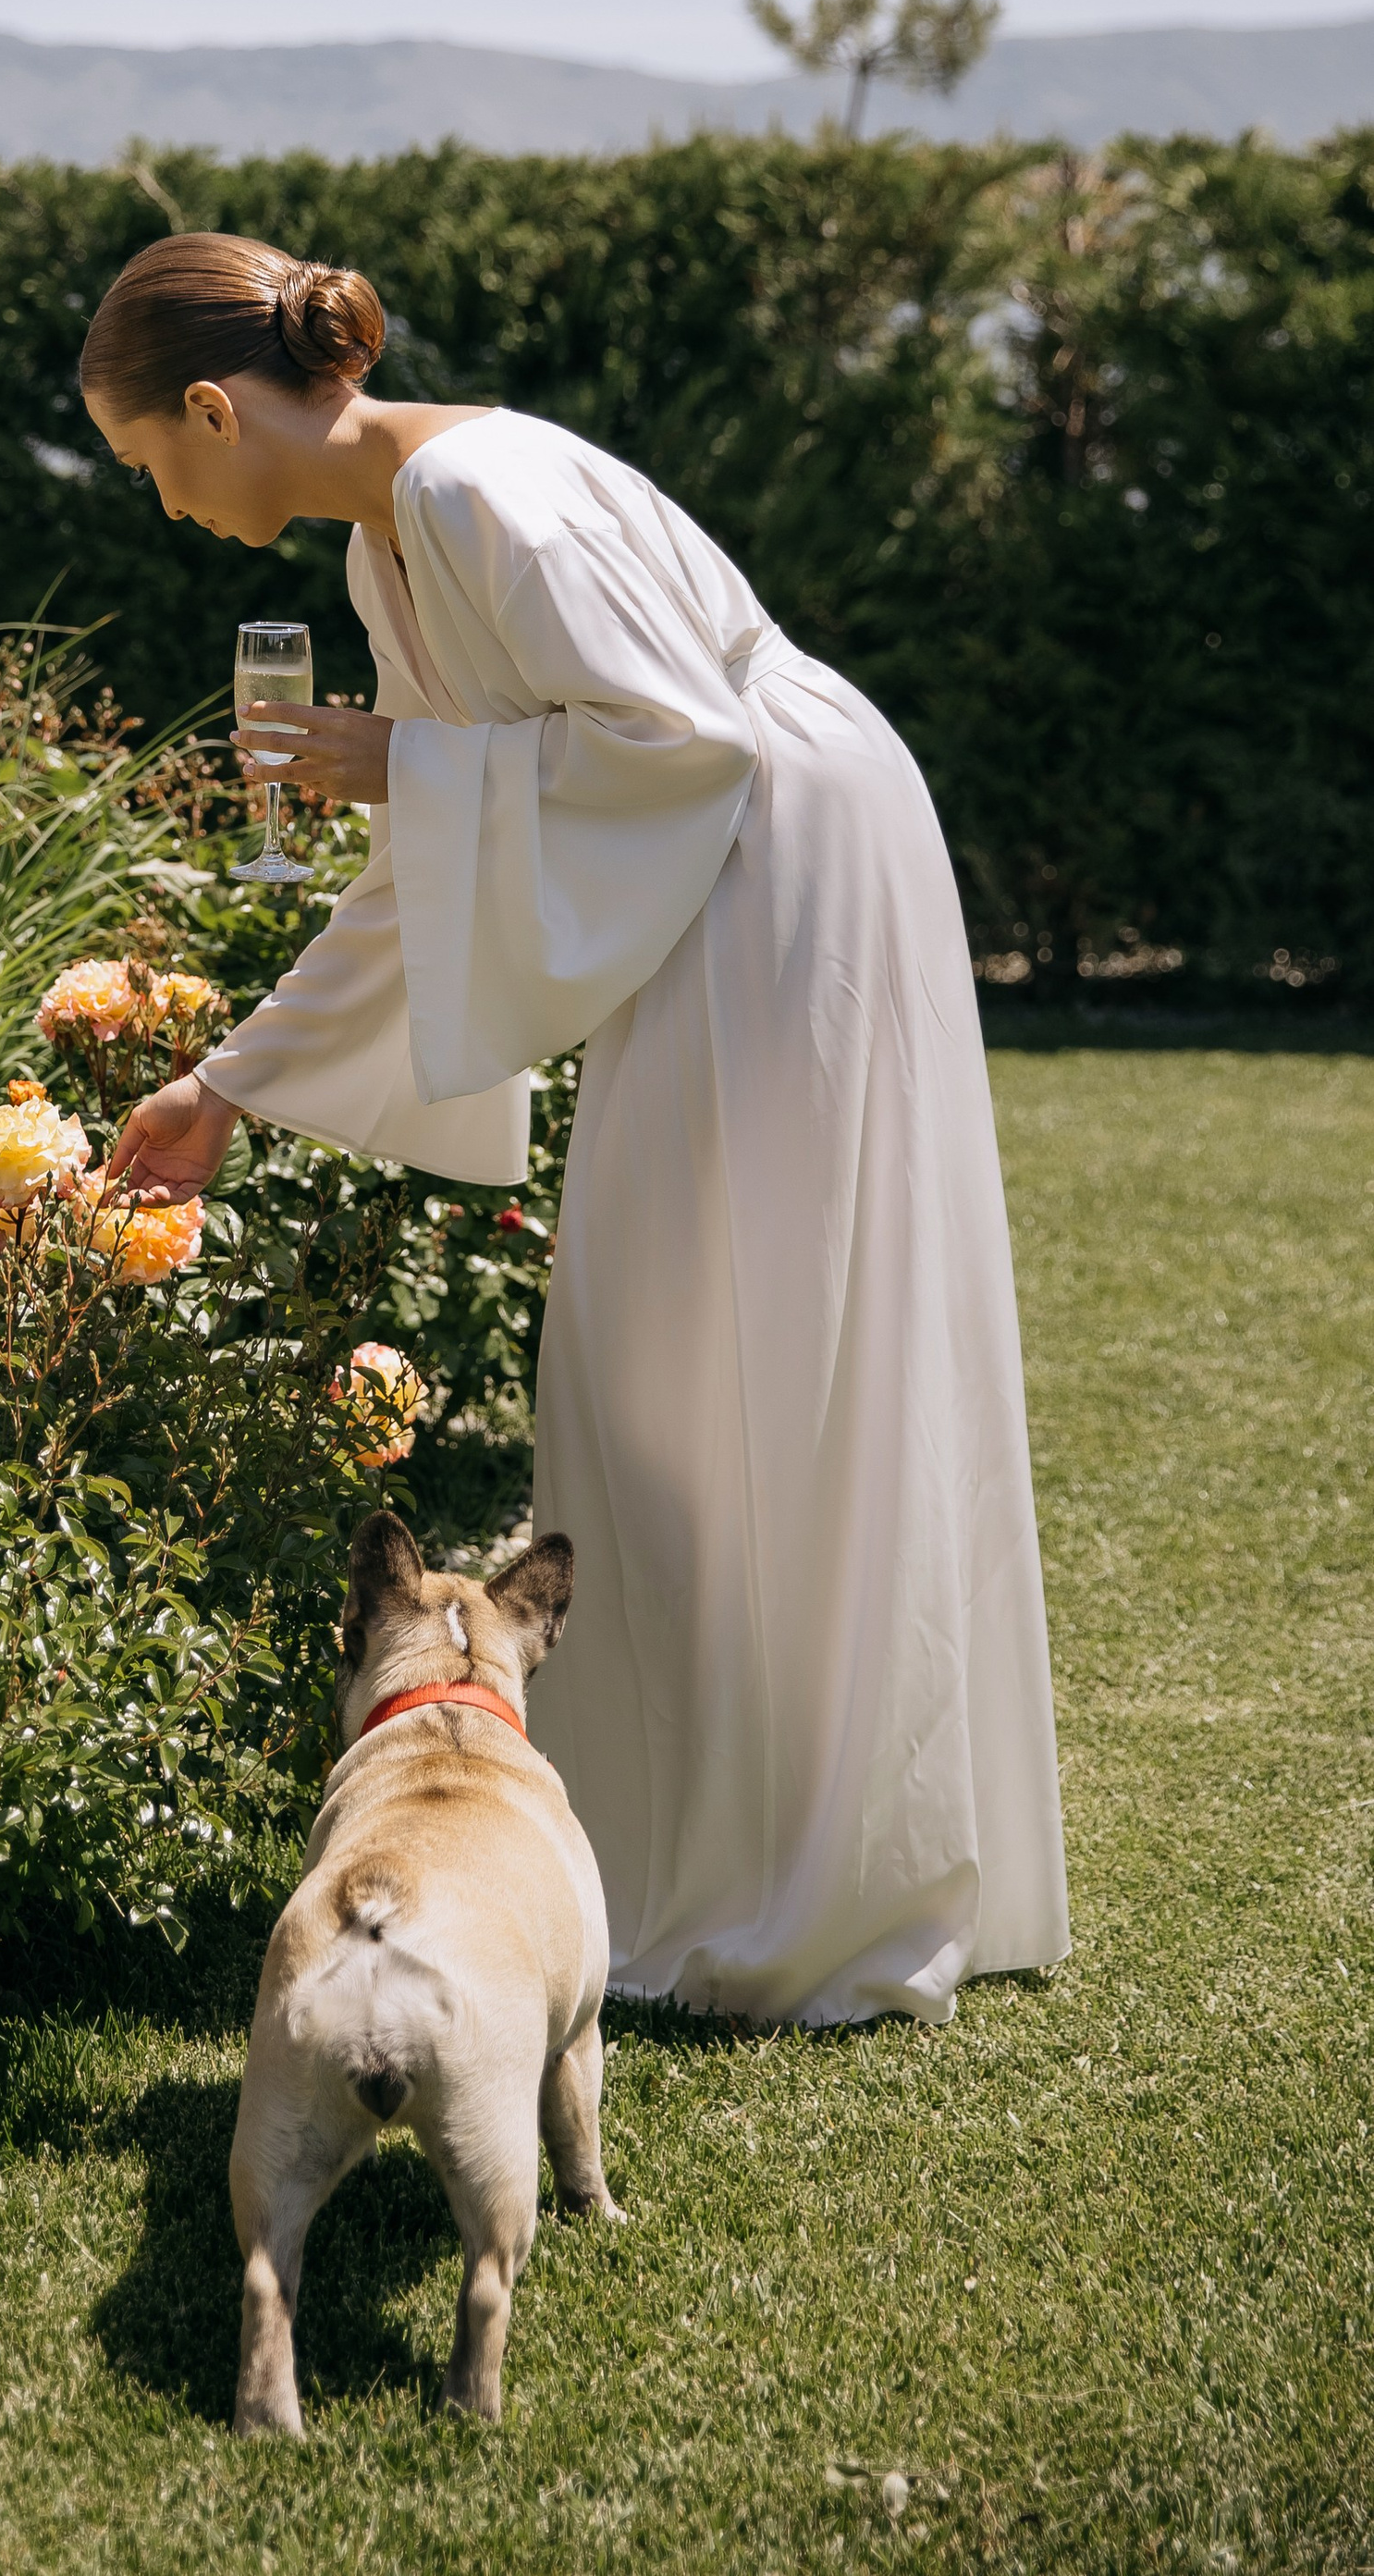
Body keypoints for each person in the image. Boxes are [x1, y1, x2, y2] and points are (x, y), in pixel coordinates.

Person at [87, 231, 1069, 2029]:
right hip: (719, 882)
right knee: (657, 1371)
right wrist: (221, 1084)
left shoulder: (476, 492)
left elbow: (681, 744)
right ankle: (704, 1845)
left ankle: (811, 1878)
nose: (163, 506)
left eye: (152, 463)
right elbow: (425, 874)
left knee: (757, 1355)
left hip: (778, 869)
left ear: (216, 410)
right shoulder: (389, 544)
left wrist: (396, 762)